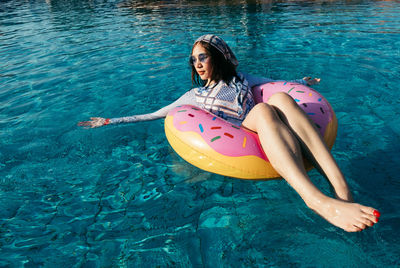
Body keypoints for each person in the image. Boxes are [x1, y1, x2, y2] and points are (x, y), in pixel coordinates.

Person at [79, 34, 380, 232]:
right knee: (263, 111)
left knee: (281, 99)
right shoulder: (193, 97)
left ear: (218, 57)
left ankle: (342, 191)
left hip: (268, 124)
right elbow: (155, 114)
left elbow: (277, 82)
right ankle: (315, 200)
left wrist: (302, 81)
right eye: (194, 59)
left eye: (203, 57)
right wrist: (110, 121)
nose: (197, 64)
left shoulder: (243, 80)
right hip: (241, 136)